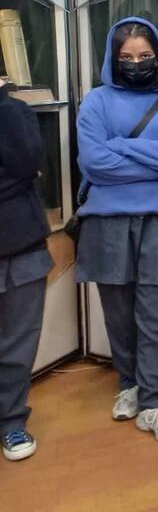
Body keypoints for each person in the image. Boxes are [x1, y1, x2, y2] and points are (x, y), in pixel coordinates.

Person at [76, 17, 158, 445]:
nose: (136, 64)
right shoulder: (96, 102)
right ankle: (129, 383)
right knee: (119, 314)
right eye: (127, 57)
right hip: (107, 223)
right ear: (114, 60)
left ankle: (156, 401)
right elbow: (95, 164)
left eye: (145, 56)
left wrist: (122, 145)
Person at [0, 77, 54, 461]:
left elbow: (30, 164)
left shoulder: (14, 111)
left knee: (18, 345)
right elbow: (20, 177)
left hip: (23, 246)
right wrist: (13, 184)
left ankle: (11, 421)